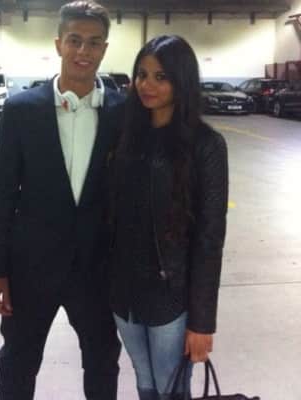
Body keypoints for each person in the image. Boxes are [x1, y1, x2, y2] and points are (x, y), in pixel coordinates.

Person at [0, 2, 123, 399]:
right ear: (59, 43)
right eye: (75, 40)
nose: (83, 51)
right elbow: (2, 194)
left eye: (93, 43)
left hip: (97, 271)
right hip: (31, 269)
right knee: (17, 363)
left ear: (104, 48)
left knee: (102, 361)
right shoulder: (22, 110)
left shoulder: (123, 112)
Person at [108, 35, 229, 400]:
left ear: (181, 80)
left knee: (170, 385)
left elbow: (210, 239)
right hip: (124, 293)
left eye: (161, 77)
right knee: (144, 380)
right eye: (142, 75)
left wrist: (202, 322)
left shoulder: (206, 145)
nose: (147, 85)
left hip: (170, 296)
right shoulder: (127, 136)